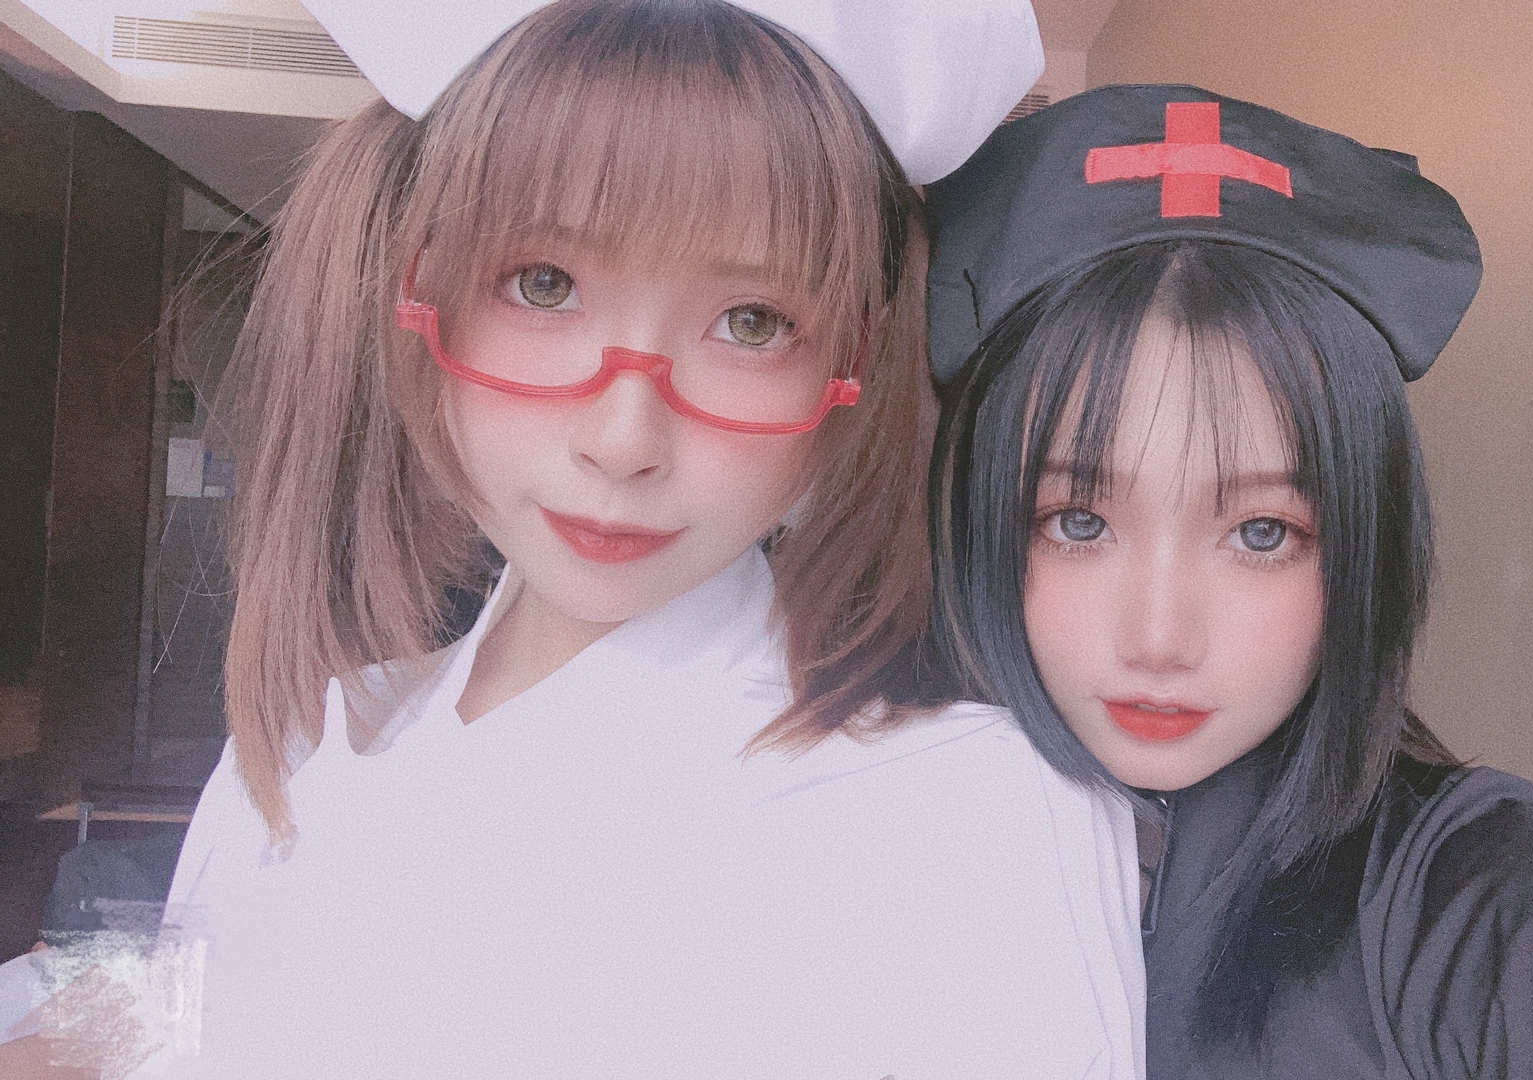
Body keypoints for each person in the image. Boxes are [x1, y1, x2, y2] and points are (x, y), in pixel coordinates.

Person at [3, 3, 1147, 1078]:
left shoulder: (964, 812)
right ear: (418, 289)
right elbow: (203, 1015)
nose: (623, 437)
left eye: (752, 322)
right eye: (543, 284)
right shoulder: (315, 732)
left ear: (855, 363)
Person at [924, 84, 1533, 1079]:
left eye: (1262, 533)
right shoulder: (877, 829)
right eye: (1080, 522)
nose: (1159, 637)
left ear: (1365, 548)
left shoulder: (1453, 893)